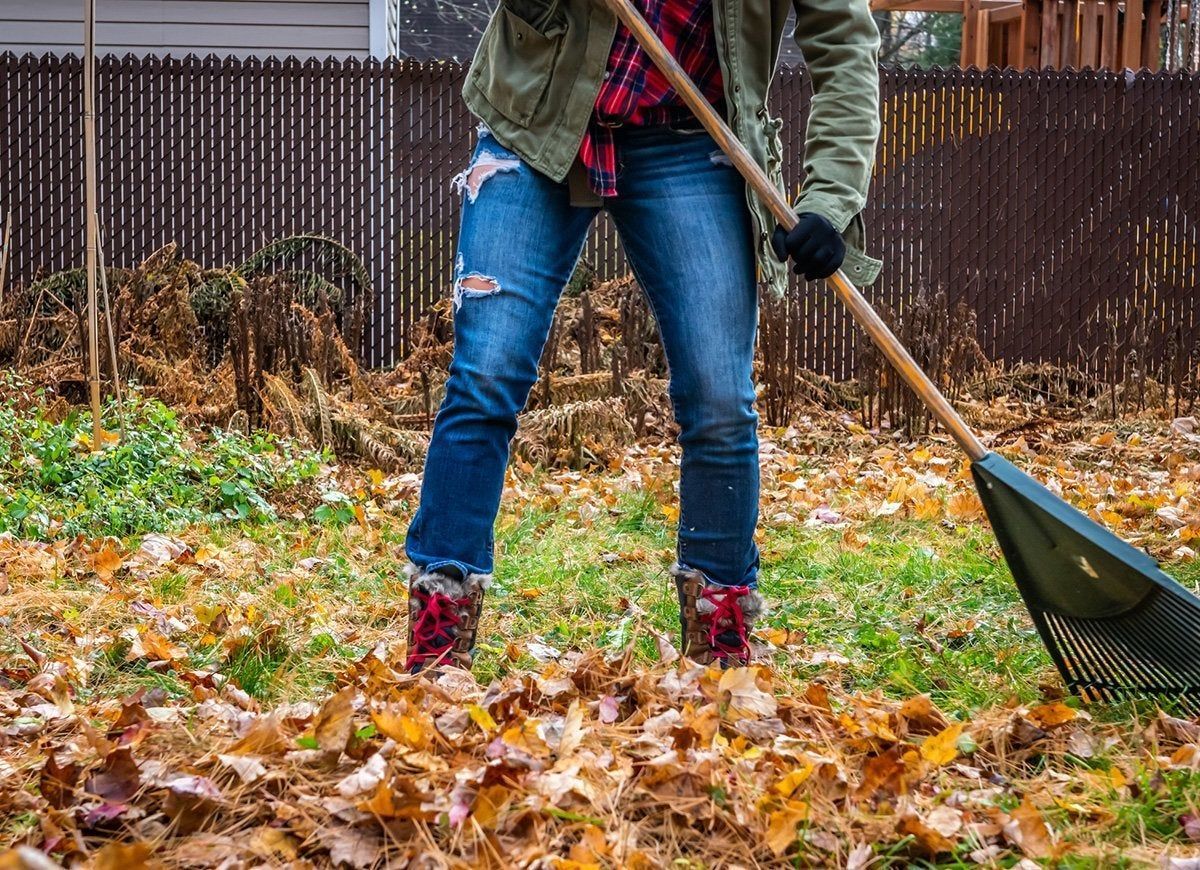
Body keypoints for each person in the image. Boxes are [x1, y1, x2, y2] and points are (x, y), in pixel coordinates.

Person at [404, 0, 882, 672]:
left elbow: (845, 41)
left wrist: (830, 200)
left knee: (719, 396)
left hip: (690, 139)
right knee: (486, 373)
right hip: (540, 119)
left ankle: (720, 636)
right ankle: (439, 631)